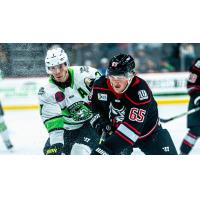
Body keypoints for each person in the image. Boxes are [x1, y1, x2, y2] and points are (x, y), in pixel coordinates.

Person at [89, 54, 177, 155]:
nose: (115, 81)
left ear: (131, 75)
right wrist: (98, 120)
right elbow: (92, 106)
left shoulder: (140, 90)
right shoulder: (100, 85)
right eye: (112, 75)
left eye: (121, 76)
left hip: (149, 134)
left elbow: (131, 130)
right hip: (115, 133)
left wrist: (106, 149)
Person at [38, 46, 101, 155]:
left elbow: (107, 97)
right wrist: (56, 143)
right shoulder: (46, 92)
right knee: (51, 154)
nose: (57, 71)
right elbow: (53, 121)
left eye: (60, 66)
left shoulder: (87, 74)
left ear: (66, 63)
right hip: (68, 128)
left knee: (79, 152)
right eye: (52, 68)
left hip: (92, 122)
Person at [180, 58, 200, 154]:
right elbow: (190, 86)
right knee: (196, 129)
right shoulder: (198, 65)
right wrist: (198, 98)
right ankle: (183, 153)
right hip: (198, 101)